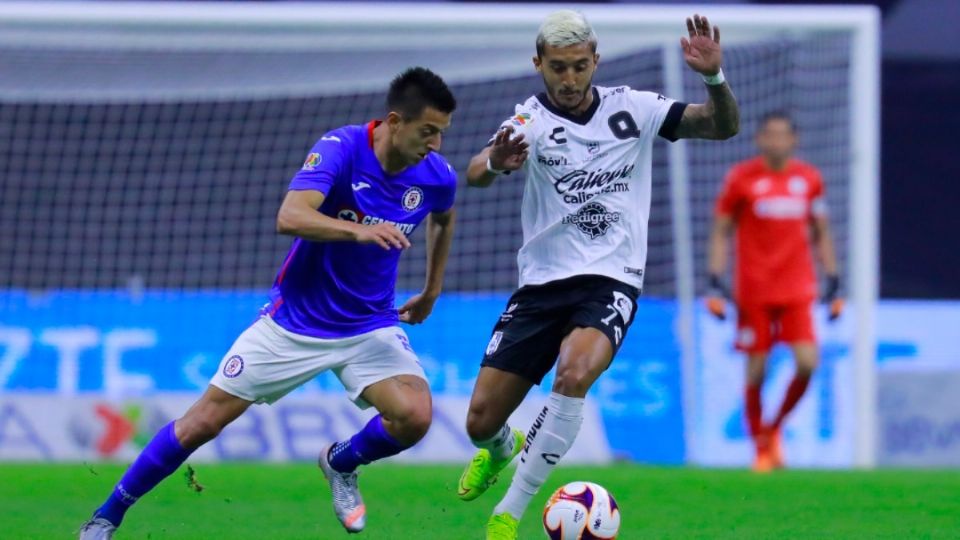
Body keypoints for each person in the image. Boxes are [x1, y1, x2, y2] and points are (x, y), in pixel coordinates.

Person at [78, 67, 458, 539]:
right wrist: (359, 229)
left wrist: (432, 288)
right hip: (294, 323)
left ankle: (340, 462)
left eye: (442, 133)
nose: (436, 145)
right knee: (201, 424)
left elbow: (443, 217)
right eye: (428, 132)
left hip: (368, 324)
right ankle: (106, 515)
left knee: (414, 417)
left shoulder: (437, 176)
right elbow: (290, 215)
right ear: (395, 121)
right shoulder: (341, 148)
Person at [457, 10, 740, 539]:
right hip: (541, 285)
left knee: (574, 374)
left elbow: (721, 126)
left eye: (579, 67)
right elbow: (474, 172)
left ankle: (507, 516)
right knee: (480, 422)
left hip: (612, 279)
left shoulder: (634, 108)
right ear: (538, 64)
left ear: (596, 62)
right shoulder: (529, 123)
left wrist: (713, 78)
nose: (568, 79)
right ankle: (500, 450)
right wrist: (495, 161)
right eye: (558, 67)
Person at [706, 111, 842, 472]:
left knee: (808, 362)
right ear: (760, 139)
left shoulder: (809, 180)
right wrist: (715, 280)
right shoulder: (742, 179)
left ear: (794, 140)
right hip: (754, 290)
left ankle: (774, 428)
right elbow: (722, 230)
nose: (777, 141)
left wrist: (834, 276)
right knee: (757, 370)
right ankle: (761, 448)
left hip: (798, 287)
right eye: (770, 135)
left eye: (783, 135)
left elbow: (821, 231)